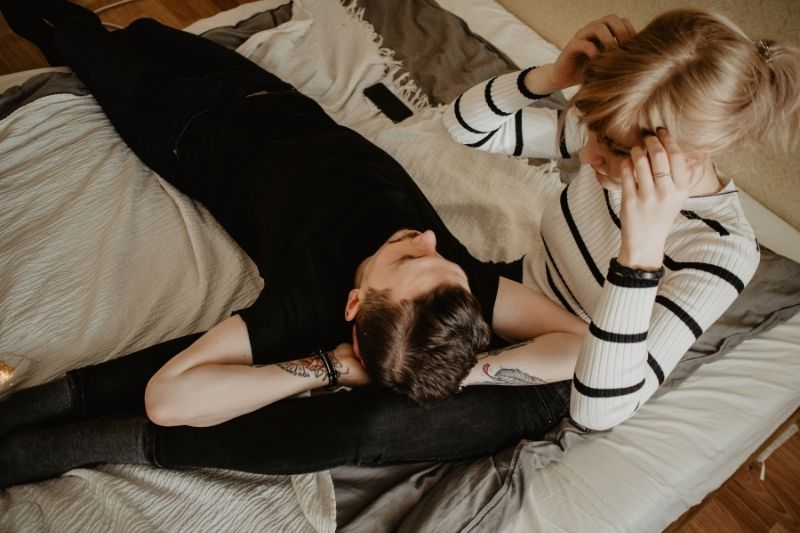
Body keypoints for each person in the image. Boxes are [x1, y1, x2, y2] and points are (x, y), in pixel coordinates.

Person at [0, 0, 587, 487]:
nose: (431, 240)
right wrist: (468, 373)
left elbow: (167, 402)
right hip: (277, 100)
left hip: (186, 127)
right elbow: (578, 346)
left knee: (78, 42)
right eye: (438, 257)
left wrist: (331, 367)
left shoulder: (303, 305)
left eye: (410, 257)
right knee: (148, 31)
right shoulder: (451, 287)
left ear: (355, 305)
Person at [444, 9, 799, 430]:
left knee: (378, 420)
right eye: (595, 132)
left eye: (614, 148)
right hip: (511, 289)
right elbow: (464, 128)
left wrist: (641, 254)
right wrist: (551, 77)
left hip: (570, 371)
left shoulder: (722, 249)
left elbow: (597, 411)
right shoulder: (608, 131)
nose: (590, 155)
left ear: (693, 154)